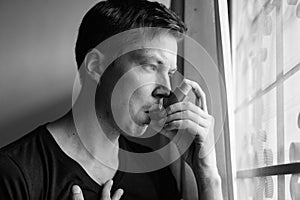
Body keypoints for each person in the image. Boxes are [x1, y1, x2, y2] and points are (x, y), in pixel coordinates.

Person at [0, 0, 223, 199]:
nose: (166, 89)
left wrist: (207, 174)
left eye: (170, 73)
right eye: (150, 66)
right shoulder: (13, 173)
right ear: (96, 66)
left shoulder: (154, 172)